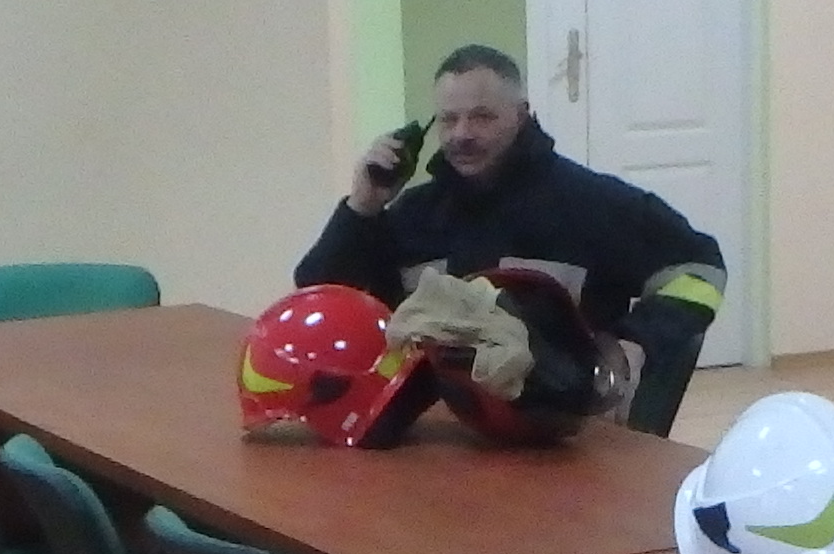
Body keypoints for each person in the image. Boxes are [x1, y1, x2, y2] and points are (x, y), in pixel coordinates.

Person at [293, 45, 732, 427]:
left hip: (557, 433)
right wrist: (363, 207)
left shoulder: (593, 205)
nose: (462, 134)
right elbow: (319, 300)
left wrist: (637, 340)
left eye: (482, 117)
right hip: (438, 437)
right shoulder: (414, 215)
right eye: (449, 120)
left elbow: (701, 268)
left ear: (521, 115)